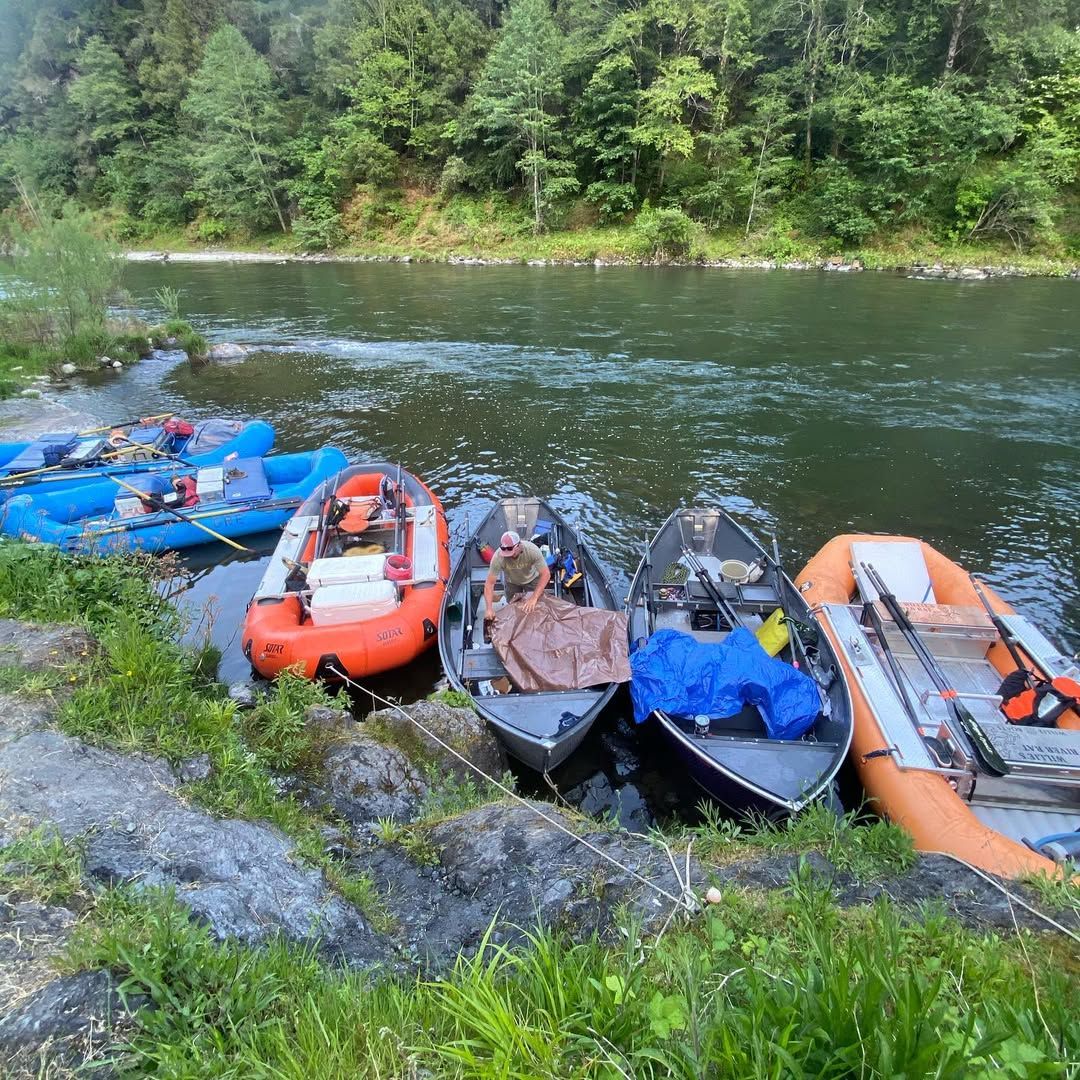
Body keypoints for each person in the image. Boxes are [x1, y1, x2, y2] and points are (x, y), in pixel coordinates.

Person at [483, 530, 550, 621]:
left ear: (519, 545)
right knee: (512, 605)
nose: (509, 556)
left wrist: (534, 597)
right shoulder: (498, 557)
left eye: (512, 553)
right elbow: (489, 584)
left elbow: (545, 574)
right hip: (512, 581)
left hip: (532, 579)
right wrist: (489, 609)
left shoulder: (532, 551)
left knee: (535, 605)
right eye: (506, 553)